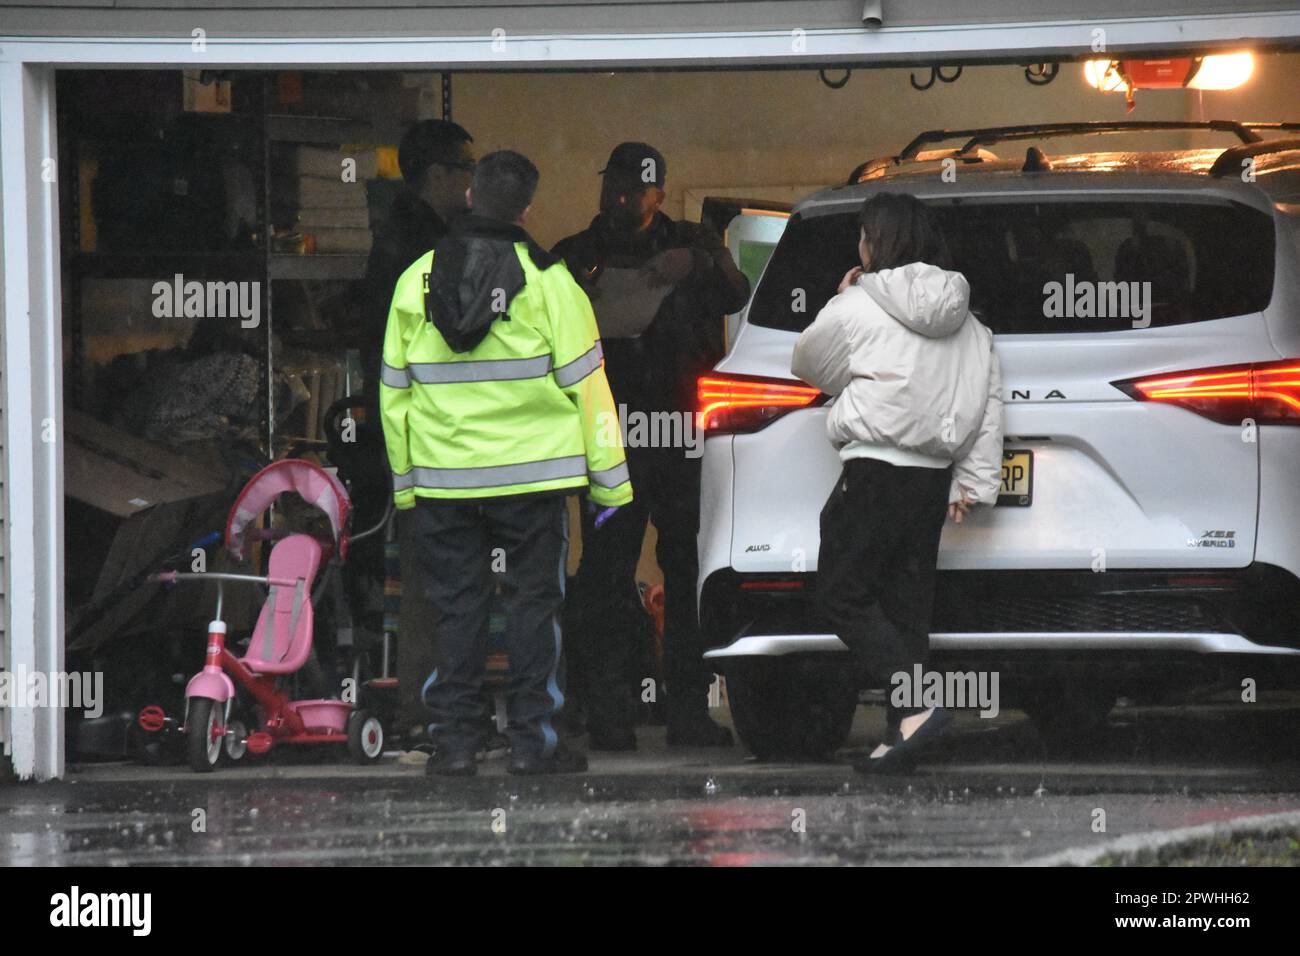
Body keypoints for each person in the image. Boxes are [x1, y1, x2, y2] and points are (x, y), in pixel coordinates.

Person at [379, 150, 632, 776]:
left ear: (468, 197)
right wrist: (611, 487)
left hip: (444, 482)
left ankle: (456, 744)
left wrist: (408, 489)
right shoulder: (551, 283)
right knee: (532, 608)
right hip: (534, 480)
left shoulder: (417, 280)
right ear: (526, 209)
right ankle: (534, 743)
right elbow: (590, 388)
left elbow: (392, 397)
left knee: (456, 609)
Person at [790, 192, 1003, 774]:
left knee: (840, 593)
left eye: (862, 234)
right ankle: (904, 731)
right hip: (931, 481)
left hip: (873, 471)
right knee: (906, 611)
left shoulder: (858, 305)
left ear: (874, 241)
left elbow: (807, 363)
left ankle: (918, 702)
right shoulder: (972, 325)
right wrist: (974, 483)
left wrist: (839, 299)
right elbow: (987, 405)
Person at [553, 142, 750, 750]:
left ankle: (688, 712)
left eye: (632, 189)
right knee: (606, 573)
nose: (617, 197)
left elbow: (736, 293)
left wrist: (696, 262)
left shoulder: (692, 243)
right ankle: (607, 714)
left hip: (680, 437)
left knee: (687, 569)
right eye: (611, 183)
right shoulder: (576, 255)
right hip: (611, 436)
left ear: (658, 195)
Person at [361, 119, 476, 761]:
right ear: (436, 176)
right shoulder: (414, 247)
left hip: (440, 439)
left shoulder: (416, 237)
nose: (471, 181)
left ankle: (437, 712)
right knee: (436, 588)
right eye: (465, 169)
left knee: (445, 584)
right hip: (433, 441)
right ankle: (427, 715)